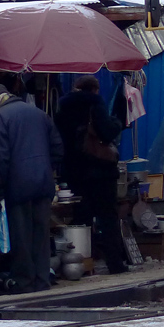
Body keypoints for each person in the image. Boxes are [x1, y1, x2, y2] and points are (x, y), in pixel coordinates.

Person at [0, 84, 63, 294]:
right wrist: (46, 170)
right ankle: (42, 280)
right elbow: (57, 148)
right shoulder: (39, 114)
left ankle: (25, 283)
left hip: (17, 186)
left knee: (21, 237)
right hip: (43, 183)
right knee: (41, 235)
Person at [53, 75, 127, 274]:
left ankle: (82, 264)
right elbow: (107, 131)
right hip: (100, 171)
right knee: (107, 218)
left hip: (74, 172)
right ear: (95, 89)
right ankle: (115, 264)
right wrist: (116, 122)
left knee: (81, 218)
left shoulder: (62, 106)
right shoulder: (95, 103)